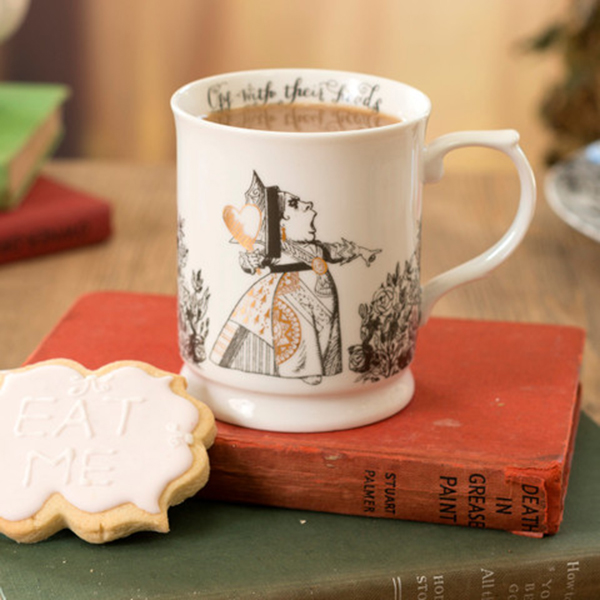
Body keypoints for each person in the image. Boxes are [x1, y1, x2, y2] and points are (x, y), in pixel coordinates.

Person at [210, 172, 380, 385]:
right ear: (282, 222)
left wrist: (362, 251)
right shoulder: (277, 248)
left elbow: (338, 251)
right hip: (290, 294)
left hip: (321, 297)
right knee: (298, 331)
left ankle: (322, 367)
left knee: (324, 333)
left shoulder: (316, 247)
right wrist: (249, 261)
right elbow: (252, 259)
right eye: (295, 204)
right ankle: (302, 370)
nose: (308, 204)